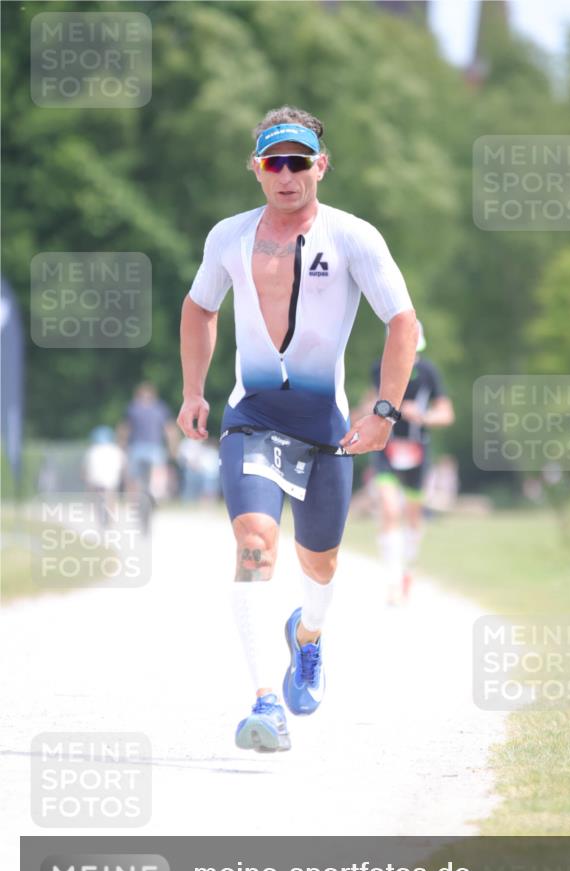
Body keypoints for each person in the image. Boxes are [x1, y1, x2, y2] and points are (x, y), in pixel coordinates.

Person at [177, 106, 418, 753]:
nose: (286, 174)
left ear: (321, 166)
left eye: (299, 161)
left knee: (321, 562)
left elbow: (403, 324)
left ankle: (306, 637)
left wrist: (385, 411)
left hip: (326, 432)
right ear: (256, 168)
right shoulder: (228, 237)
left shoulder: (353, 238)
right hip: (251, 418)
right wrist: (194, 392)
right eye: (273, 162)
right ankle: (263, 704)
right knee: (256, 544)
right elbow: (200, 307)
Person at [365, 322, 454, 604]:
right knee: (390, 511)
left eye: (414, 348)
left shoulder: (429, 372)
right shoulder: (378, 369)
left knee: (413, 516)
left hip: (417, 450)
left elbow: (447, 414)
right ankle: (392, 581)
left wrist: (423, 416)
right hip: (386, 449)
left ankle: (407, 569)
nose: (409, 354)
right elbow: (367, 403)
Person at [118, 382, 178, 502]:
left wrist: (122, 445)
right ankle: (156, 496)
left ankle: (134, 500)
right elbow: (170, 429)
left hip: (138, 447)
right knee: (158, 472)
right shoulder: (160, 408)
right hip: (153, 446)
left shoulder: (133, 408)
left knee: (134, 475)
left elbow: (124, 429)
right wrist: (173, 448)